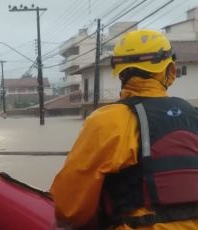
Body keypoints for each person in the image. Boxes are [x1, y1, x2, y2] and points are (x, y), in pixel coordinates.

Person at [50, 29, 198, 229]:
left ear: (119, 73)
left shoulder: (107, 121)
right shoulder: (194, 115)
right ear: (170, 70)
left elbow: (69, 209)